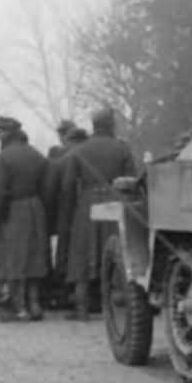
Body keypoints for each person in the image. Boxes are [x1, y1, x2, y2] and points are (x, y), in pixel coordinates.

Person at [59, 107, 138, 320]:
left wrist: (67, 216)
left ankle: (82, 310)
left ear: (94, 126)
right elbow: (133, 180)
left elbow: (67, 187)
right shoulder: (122, 149)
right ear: (111, 125)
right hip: (115, 203)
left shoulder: (78, 151)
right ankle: (121, 311)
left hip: (87, 205)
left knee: (82, 255)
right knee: (118, 253)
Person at [0, 116, 49, 321]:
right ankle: (35, 304)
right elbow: (47, 188)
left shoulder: (4, 157)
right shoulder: (37, 155)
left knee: (13, 258)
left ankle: (18, 308)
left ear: (9, 133)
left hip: (13, 211)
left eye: (0, 131)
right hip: (36, 208)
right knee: (34, 257)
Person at [44, 126, 87, 306]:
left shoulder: (62, 159)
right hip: (95, 208)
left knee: (66, 252)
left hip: (68, 212)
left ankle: (65, 295)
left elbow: (52, 190)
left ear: (67, 139)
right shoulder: (88, 152)